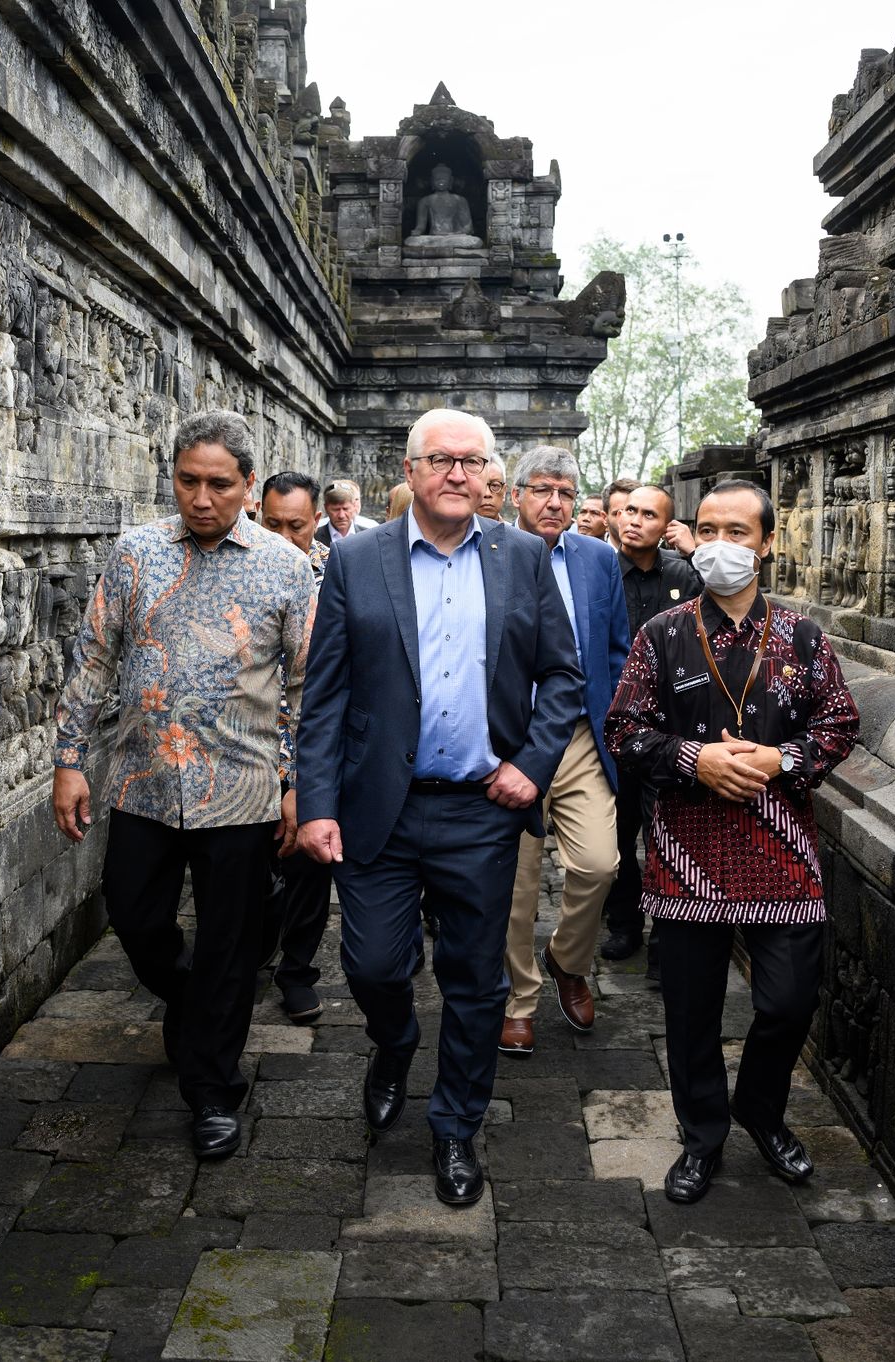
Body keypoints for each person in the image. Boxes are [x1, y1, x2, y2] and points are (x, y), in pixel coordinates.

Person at [296, 408, 581, 1207]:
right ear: (412, 469)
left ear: (490, 473)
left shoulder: (523, 557)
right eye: (440, 460)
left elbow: (564, 677)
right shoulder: (356, 559)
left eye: (472, 461)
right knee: (374, 965)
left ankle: (455, 1127)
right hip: (377, 807)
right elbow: (326, 694)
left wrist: (532, 764)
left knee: (476, 983)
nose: (458, 474)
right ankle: (394, 1041)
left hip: (481, 810)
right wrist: (315, 801)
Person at [52, 412, 316, 1162]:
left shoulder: (284, 568)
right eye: (188, 481)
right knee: (135, 919)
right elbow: (94, 660)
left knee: (230, 949)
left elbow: (305, 686)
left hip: (240, 790)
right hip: (142, 781)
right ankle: (195, 1003)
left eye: (219, 484)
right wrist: (69, 759)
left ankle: (211, 1091)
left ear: (248, 487)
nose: (202, 498)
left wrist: (297, 783)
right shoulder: (135, 554)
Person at [603, 479, 859, 1205]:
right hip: (689, 849)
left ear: (767, 544)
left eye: (738, 532)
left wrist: (783, 759)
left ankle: (762, 1108)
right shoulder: (665, 635)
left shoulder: (804, 637)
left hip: (782, 849)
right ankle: (703, 1136)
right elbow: (624, 730)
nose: (721, 545)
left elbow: (839, 723)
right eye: (708, 529)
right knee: (691, 1012)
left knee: (786, 1001)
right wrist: (695, 760)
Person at [500, 448, 627, 1056]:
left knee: (600, 864)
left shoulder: (600, 559)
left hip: (579, 735)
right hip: (512, 741)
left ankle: (567, 960)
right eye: (543, 490)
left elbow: (617, 650)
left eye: (567, 493)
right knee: (517, 884)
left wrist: (616, 724)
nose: (555, 503)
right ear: (516, 494)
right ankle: (517, 998)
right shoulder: (488, 552)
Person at [603, 481, 704, 975]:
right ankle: (623, 923)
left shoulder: (684, 575)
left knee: (665, 833)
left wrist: (698, 551)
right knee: (617, 836)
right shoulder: (602, 572)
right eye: (628, 511)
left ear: (668, 526)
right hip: (616, 725)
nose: (633, 520)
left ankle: (667, 937)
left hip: (670, 729)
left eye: (647, 514)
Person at [256, 471, 333, 1022]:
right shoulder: (236, 565)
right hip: (246, 743)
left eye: (297, 527)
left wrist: (301, 777)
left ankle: (298, 969)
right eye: (272, 523)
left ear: (317, 521)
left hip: (315, 740)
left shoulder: (340, 573)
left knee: (311, 858)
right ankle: (254, 943)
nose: (284, 539)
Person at [314, 479, 377, 546]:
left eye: (346, 509)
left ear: (354, 506)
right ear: (326, 508)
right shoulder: (314, 538)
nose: (341, 516)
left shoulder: (369, 536)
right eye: (336, 510)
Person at [477, 456, 509, 520]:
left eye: (495, 486)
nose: (487, 494)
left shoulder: (513, 530)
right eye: (481, 485)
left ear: (504, 492)